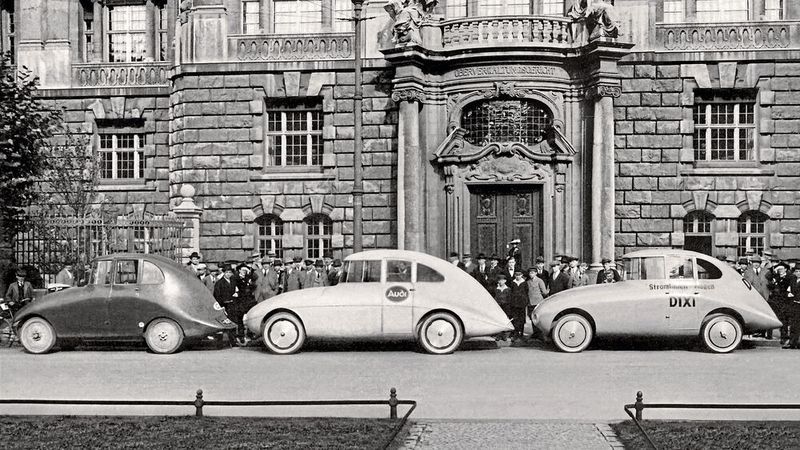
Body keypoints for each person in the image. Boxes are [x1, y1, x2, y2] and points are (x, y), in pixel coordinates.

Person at [213, 266, 241, 346]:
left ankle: (233, 341)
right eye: (227, 272)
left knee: (233, 322)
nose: (228, 274)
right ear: (224, 273)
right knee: (223, 323)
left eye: (230, 272)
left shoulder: (233, 281)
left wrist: (237, 294)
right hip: (224, 305)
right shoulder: (219, 283)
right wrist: (222, 305)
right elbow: (217, 295)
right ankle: (220, 342)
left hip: (233, 304)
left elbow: (238, 290)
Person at [770, 263, 793, 344]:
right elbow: (768, 277)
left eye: (781, 269)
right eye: (779, 269)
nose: (780, 270)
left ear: (786, 269)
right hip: (778, 301)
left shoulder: (789, 277)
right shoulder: (776, 277)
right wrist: (774, 271)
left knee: (786, 320)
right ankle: (783, 337)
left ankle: (786, 337)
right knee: (781, 319)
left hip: (787, 301)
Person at [526, 267, 549, 341]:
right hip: (530, 302)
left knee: (538, 318)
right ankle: (535, 333)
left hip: (538, 302)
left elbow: (544, 292)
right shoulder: (528, 281)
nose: (531, 274)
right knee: (532, 318)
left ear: (536, 273)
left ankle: (540, 334)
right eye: (530, 273)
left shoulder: (540, 281)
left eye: (532, 273)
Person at [508, 269, 529, 342]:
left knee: (522, 319)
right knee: (515, 318)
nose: (518, 277)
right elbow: (511, 292)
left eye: (519, 275)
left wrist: (525, 301)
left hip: (522, 303)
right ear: (515, 275)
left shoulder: (524, 283)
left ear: (522, 275)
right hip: (515, 303)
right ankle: (515, 333)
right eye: (516, 275)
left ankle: (521, 333)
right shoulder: (513, 283)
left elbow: (526, 292)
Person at [783, 265, 800, 349]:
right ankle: (793, 342)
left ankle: (798, 342)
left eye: (799, 271)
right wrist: (788, 294)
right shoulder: (793, 280)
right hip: (794, 304)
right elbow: (788, 290)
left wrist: (795, 296)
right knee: (793, 324)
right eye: (796, 271)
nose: (798, 273)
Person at [491, 274, 511, 341]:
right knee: (499, 321)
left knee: (505, 321)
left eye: (502, 280)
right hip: (498, 307)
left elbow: (509, 299)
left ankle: (505, 335)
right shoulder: (496, 289)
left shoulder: (508, 289)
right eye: (499, 280)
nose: (500, 282)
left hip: (506, 307)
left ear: (505, 281)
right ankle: (498, 335)